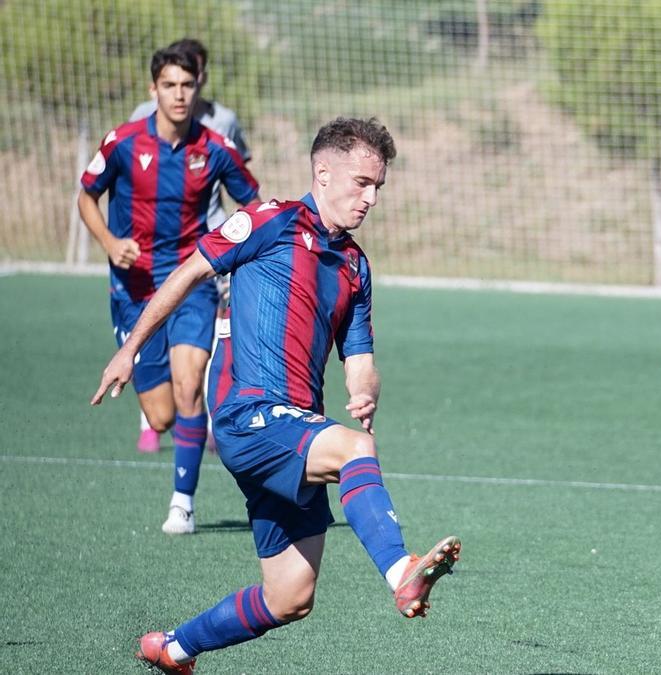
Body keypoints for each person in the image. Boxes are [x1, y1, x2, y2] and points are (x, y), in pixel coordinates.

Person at [91, 117, 461, 673]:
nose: (371, 198)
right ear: (323, 171)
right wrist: (132, 349)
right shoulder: (271, 220)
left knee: (290, 596)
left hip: (294, 427)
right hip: (249, 415)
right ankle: (400, 572)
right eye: (362, 182)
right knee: (357, 451)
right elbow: (188, 272)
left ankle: (173, 648)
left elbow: (360, 361)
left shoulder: (356, 266)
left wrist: (365, 392)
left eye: (378, 186)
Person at [79, 45, 260, 535]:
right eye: (170, 86)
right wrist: (110, 241)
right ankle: (167, 441)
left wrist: (235, 256)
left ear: (197, 88)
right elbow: (87, 196)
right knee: (159, 417)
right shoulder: (122, 142)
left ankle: (182, 503)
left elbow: (254, 205)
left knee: (188, 383)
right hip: (133, 289)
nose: (179, 95)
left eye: (187, 85)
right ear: (152, 89)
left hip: (191, 284)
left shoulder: (215, 149)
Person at [128, 37, 252, 455]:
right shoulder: (142, 121)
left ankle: (208, 417)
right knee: (154, 335)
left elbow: (242, 177)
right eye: (176, 80)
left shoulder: (223, 121)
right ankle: (152, 416)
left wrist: (238, 239)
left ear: (203, 78)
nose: (186, 86)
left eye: (194, 76)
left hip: (208, 239)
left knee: (207, 336)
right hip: (151, 252)